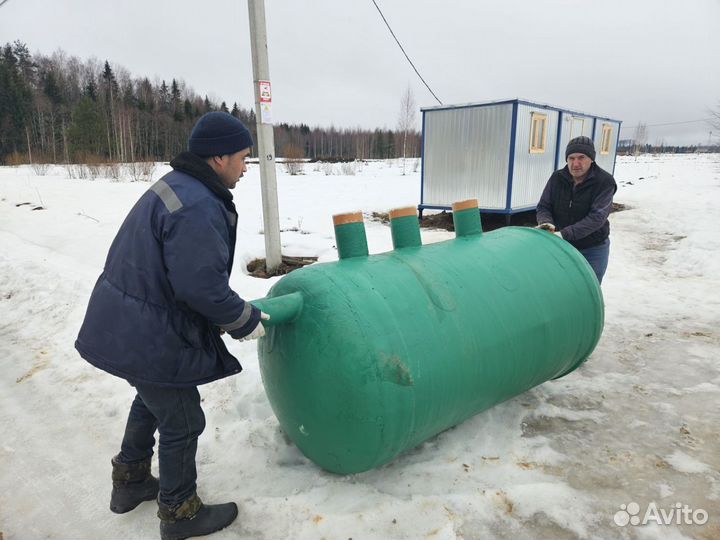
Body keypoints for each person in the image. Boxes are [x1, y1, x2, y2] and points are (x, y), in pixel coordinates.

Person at [75, 111, 269, 540]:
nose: (245, 167)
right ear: (218, 158)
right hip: (145, 325)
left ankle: (130, 483)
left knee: (152, 396)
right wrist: (243, 320)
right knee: (182, 421)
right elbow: (200, 285)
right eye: (242, 157)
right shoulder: (198, 203)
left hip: (130, 317)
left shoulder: (181, 186)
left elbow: (180, 274)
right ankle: (180, 513)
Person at [536, 136, 617, 284]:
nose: (575, 163)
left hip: (592, 249)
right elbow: (544, 206)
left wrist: (564, 234)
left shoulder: (604, 182)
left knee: (588, 291)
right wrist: (546, 223)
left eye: (581, 158)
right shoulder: (557, 178)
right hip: (562, 247)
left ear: (591, 159)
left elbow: (597, 218)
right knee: (561, 287)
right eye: (571, 158)